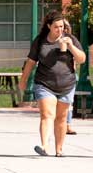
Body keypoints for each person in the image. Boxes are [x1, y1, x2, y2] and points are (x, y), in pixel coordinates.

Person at [18, 11, 85, 157]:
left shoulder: (70, 39)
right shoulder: (40, 41)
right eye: (56, 27)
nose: (60, 30)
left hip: (66, 85)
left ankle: (59, 149)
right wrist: (23, 80)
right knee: (47, 114)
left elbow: (82, 59)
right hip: (44, 84)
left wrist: (71, 46)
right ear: (49, 26)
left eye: (62, 26)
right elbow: (30, 62)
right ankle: (44, 146)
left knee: (61, 117)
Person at [63, 19, 77, 135]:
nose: (63, 30)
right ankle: (59, 124)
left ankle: (68, 125)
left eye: (65, 28)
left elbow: (78, 57)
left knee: (69, 102)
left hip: (69, 75)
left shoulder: (71, 40)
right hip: (53, 76)